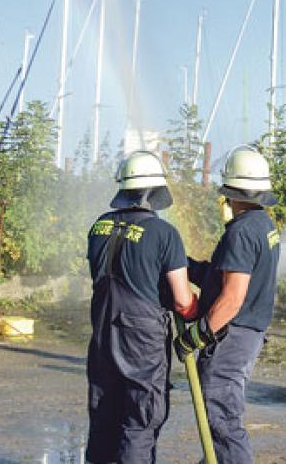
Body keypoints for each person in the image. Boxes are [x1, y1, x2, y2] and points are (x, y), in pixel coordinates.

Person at [86, 151, 198, 463]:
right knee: (140, 418)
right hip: (141, 339)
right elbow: (183, 301)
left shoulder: (98, 227)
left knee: (104, 415)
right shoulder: (164, 233)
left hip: (102, 332)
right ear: (155, 191)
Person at [176, 145, 281, 463]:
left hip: (232, 336)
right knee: (219, 422)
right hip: (248, 334)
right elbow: (222, 278)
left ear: (232, 191)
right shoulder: (264, 225)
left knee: (223, 421)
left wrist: (196, 336)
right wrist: (185, 265)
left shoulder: (242, 232)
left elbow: (232, 298)